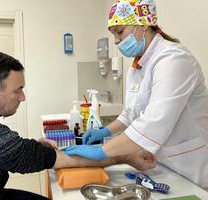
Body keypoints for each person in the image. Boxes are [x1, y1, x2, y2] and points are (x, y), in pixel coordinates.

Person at [0, 50, 156, 200]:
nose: (23, 97)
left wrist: (29, 147)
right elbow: (60, 160)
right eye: (18, 89)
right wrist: (125, 157)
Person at [65, 0, 208, 191]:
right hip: (161, 163)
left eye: (120, 31)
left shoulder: (173, 59)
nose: (115, 40)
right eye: (113, 33)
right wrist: (105, 131)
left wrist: (103, 150)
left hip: (191, 165)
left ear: (143, 25)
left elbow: (154, 120)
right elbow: (131, 113)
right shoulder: (138, 65)